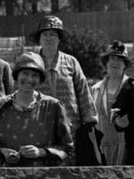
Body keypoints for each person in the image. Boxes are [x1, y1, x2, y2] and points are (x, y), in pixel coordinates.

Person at [0, 50, 95, 167]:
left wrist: (41, 152)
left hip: (43, 176)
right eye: (25, 73)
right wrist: (2, 151)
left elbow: (67, 148)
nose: (29, 79)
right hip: (6, 175)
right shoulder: (0, 106)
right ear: (17, 75)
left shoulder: (53, 106)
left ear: (40, 80)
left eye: (35, 75)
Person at [32, 17, 101, 157]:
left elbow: (83, 92)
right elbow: (20, 93)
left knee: (71, 165)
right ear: (39, 39)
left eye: (53, 34)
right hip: (39, 129)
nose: (49, 38)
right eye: (45, 34)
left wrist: (89, 121)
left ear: (59, 39)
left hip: (70, 129)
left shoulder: (71, 62)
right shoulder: (31, 63)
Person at [91, 42, 131, 164]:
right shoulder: (95, 89)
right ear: (106, 63)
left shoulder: (132, 87)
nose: (115, 63)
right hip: (101, 148)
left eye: (120, 59)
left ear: (125, 64)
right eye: (112, 58)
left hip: (124, 148)